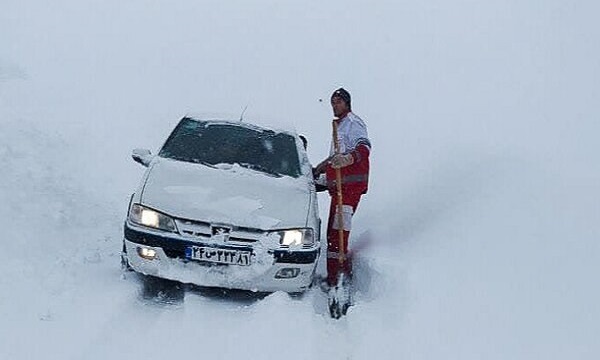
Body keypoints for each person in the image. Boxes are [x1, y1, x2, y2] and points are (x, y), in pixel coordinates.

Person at [313, 88, 371, 287]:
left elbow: (364, 148)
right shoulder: (339, 126)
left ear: (347, 103)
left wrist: (348, 159)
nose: (334, 106)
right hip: (338, 189)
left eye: (338, 102)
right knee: (333, 233)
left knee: (339, 233)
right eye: (332, 103)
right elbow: (334, 157)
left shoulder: (353, 123)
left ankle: (338, 278)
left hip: (350, 188)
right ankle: (332, 276)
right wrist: (321, 168)